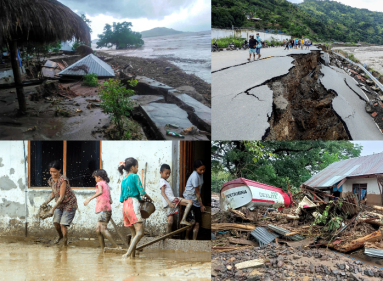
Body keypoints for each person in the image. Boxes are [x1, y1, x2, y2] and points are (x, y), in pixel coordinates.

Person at [119, 157, 153, 259]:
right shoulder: (135, 176)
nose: (137, 169)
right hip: (133, 205)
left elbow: (121, 198)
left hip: (125, 206)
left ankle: (132, 258)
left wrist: (137, 198)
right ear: (132, 167)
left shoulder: (124, 180)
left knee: (133, 234)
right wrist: (148, 197)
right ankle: (127, 255)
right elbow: (142, 192)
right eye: (137, 167)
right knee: (140, 233)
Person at [41, 160, 77, 247]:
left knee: (62, 224)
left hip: (69, 203)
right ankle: (60, 236)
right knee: (56, 223)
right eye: (51, 171)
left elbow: (61, 197)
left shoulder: (63, 180)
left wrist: (52, 209)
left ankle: (65, 244)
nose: (52, 173)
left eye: (54, 172)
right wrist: (45, 202)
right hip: (59, 204)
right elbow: (54, 193)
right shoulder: (51, 180)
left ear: (59, 170)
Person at [83, 169, 120, 250]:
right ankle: (103, 249)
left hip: (104, 210)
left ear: (99, 177)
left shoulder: (99, 183)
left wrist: (89, 199)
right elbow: (111, 201)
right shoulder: (106, 185)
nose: (95, 179)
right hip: (107, 210)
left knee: (102, 230)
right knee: (98, 230)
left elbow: (99, 192)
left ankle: (117, 247)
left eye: (95, 177)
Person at [159, 164, 193, 234]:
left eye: (169, 173)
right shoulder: (162, 181)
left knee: (170, 221)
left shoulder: (164, 181)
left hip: (169, 202)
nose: (168, 175)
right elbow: (162, 193)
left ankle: (168, 236)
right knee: (189, 202)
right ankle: (183, 219)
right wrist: (169, 202)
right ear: (161, 173)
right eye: (166, 173)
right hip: (171, 200)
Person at [183, 159, 206, 240]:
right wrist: (202, 205)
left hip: (196, 199)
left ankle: (194, 241)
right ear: (195, 169)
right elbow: (197, 192)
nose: (202, 171)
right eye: (200, 169)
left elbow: (199, 190)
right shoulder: (194, 176)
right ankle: (186, 238)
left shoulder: (201, 174)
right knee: (191, 222)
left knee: (197, 222)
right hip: (190, 200)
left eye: (204, 169)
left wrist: (200, 203)